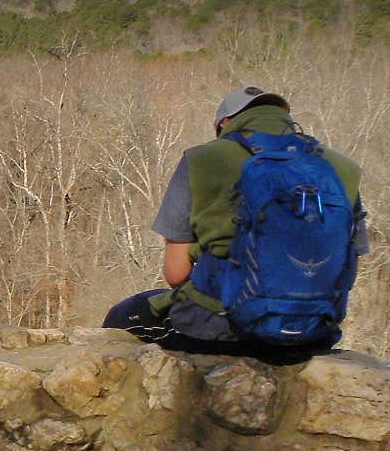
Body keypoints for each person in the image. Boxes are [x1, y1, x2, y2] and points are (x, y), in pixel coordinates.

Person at [105, 85, 364, 352]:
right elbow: (349, 266)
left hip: (218, 329)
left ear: (226, 123)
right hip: (314, 331)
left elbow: (176, 273)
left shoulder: (202, 158)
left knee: (123, 317)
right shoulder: (342, 168)